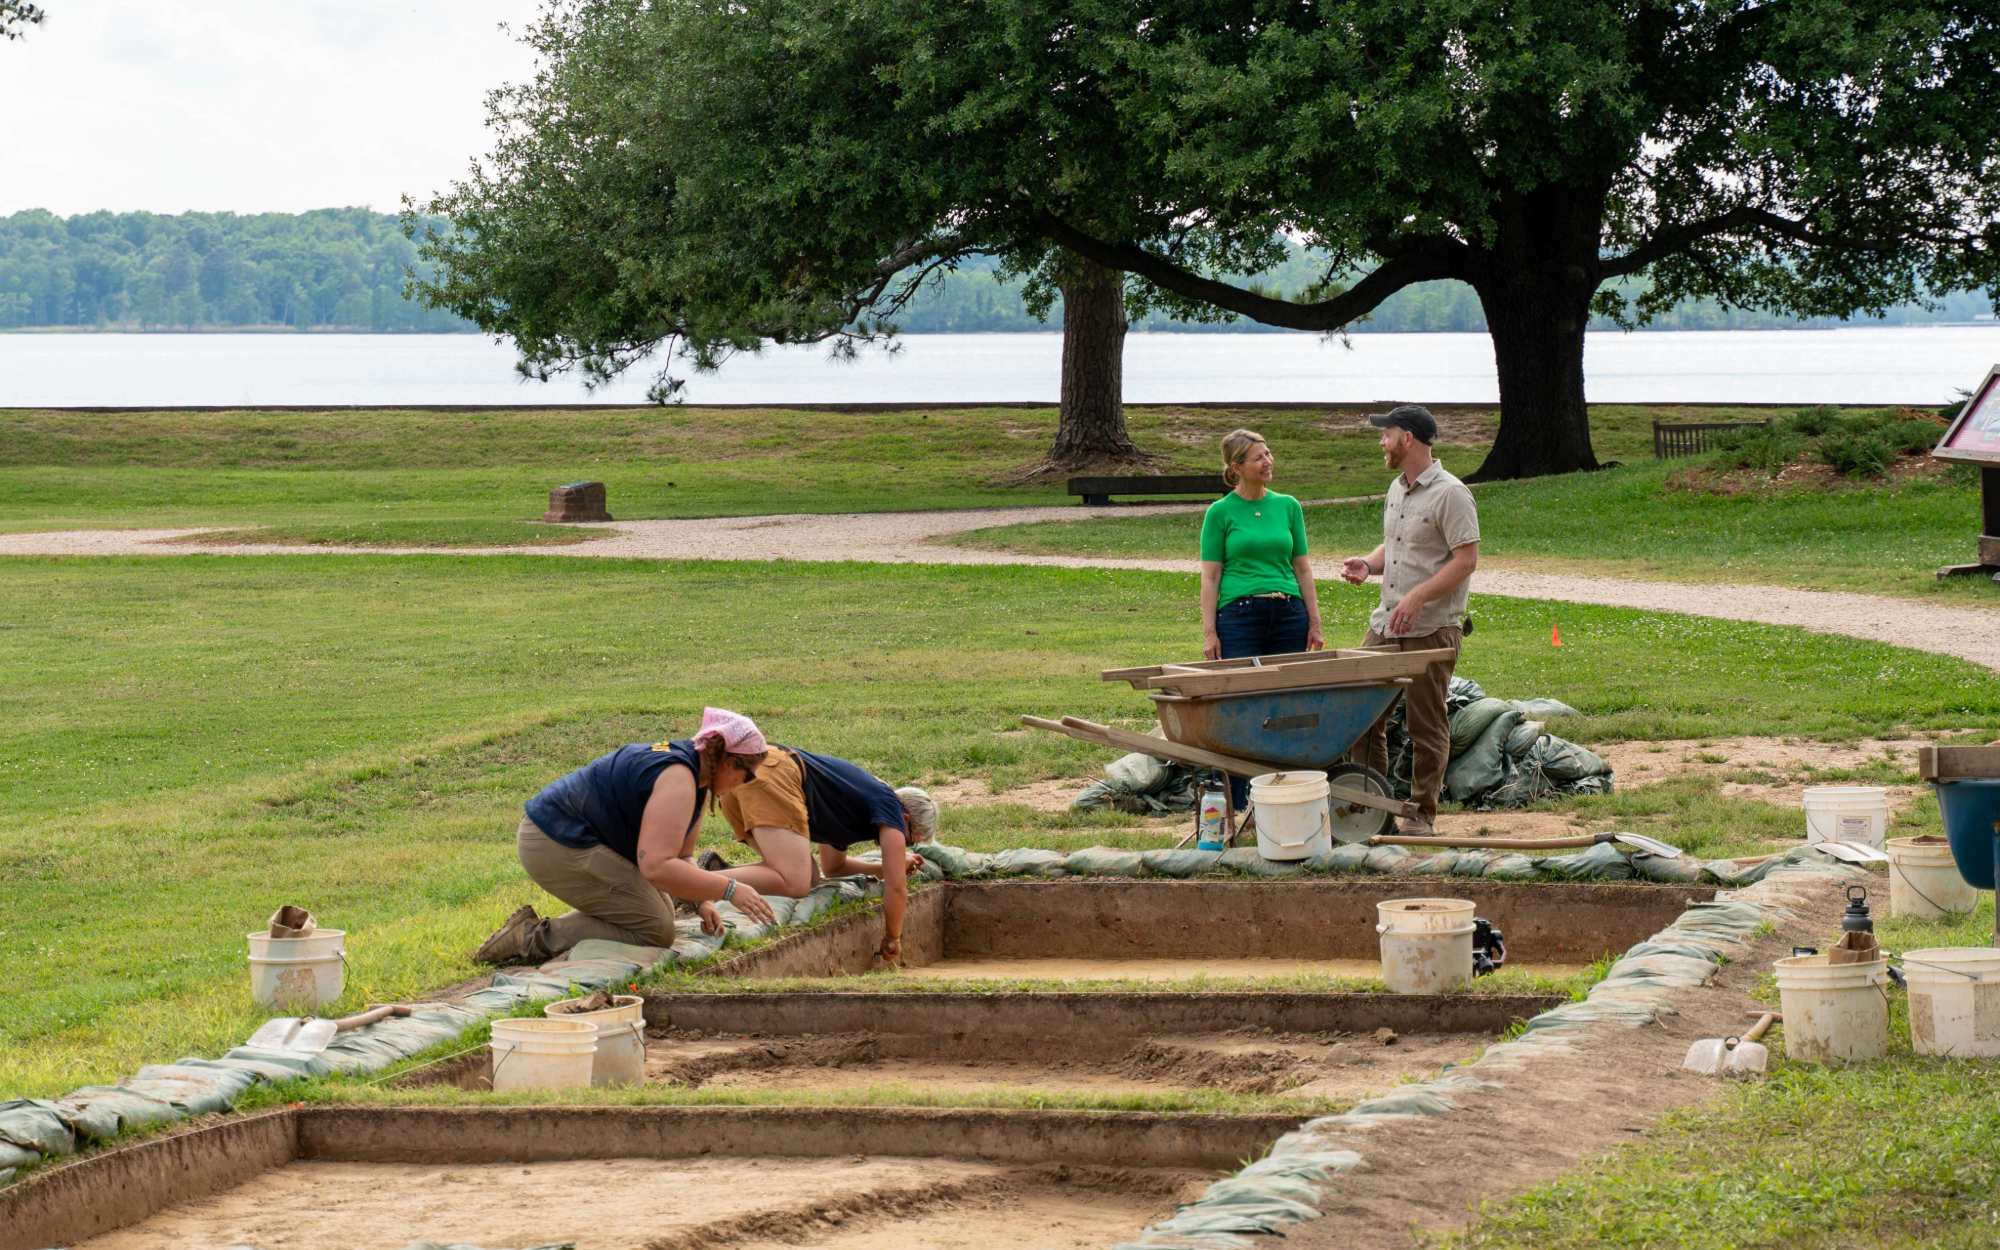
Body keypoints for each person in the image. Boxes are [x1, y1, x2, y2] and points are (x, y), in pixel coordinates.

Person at [472, 707, 783, 966]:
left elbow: (682, 857)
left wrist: (701, 900)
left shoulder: (697, 776)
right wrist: (730, 889)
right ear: (728, 761)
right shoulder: (678, 778)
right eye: (747, 775)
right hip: (555, 842)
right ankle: (528, 937)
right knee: (655, 930)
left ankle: (533, 935)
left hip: (578, 838)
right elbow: (657, 867)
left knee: (659, 910)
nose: (745, 784)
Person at [1340, 405, 1480, 835]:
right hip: (1385, 626)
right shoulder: (1397, 489)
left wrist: (1418, 598)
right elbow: (1396, 546)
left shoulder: (1451, 494)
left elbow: (1466, 560)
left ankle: (1421, 813)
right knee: (1359, 714)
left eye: (1387, 434)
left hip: (1432, 629)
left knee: (1426, 725)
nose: (1381, 442)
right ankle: (1373, 809)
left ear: (1409, 439)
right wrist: (1368, 563)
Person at [708, 743, 939, 970]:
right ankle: (697, 881)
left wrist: (885, 868)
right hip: (770, 776)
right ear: (905, 819)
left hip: (747, 773)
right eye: (908, 840)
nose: (902, 845)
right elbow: (897, 888)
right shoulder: (890, 807)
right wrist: (893, 936)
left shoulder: (855, 803)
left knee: (808, 877)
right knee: (797, 881)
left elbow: (835, 868)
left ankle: (713, 874)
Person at [1200, 427, 1324, 813]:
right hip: (1240, 616)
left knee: (1287, 706)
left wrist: (1314, 621)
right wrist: (1210, 631)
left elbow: (1302, 568)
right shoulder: (1219, 513)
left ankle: (1287, 794)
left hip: (1288, 613)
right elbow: (1210, 576)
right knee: (1243, 706)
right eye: (1258, 457)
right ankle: (1239, 800)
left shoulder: (1288, 506)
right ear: (1237, 467)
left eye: (1269, 454)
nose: (1268, 462)